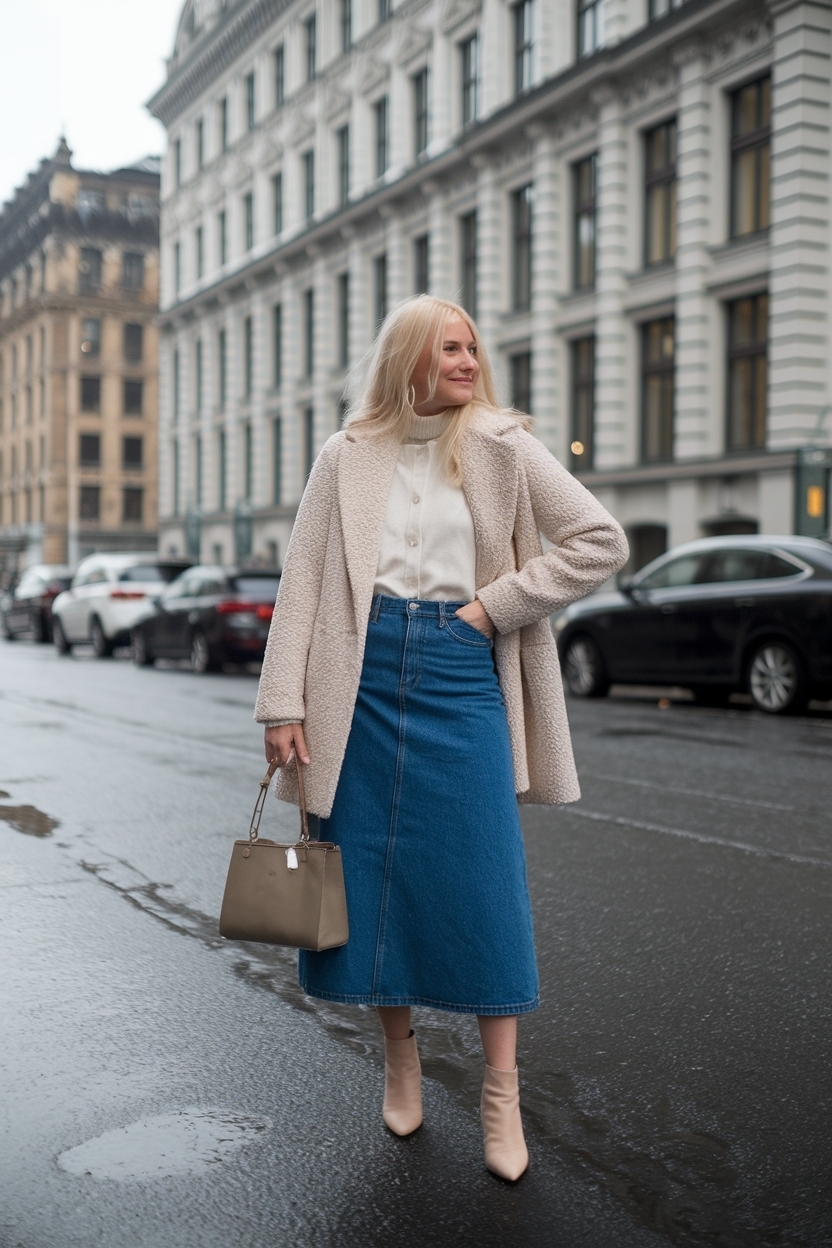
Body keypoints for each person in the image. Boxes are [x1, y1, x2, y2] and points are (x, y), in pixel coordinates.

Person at [255, 295, 628, 1181]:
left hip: (462, 670)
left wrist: (490, 610)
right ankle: (401, 1061)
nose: (467, 361)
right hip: (360, 677)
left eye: (471, 347)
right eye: (448, 348)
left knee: (483, 882)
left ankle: (502, 1095)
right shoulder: (345, 455)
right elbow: (303, 581)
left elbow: (600, 540)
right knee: (373, 881)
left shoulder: (504, 444)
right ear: (409, 360)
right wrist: (281, 704)